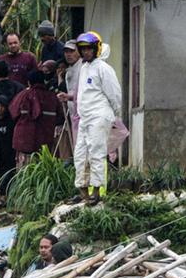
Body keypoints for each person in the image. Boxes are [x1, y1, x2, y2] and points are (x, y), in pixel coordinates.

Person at [72, 31, 121, 206]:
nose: (85, 52)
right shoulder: (84, 68)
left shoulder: (104, 68)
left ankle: (96, 190)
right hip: (85, 117)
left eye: (88, 49)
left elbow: (115, 94)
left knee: (96, 153)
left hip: (99, 116)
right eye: (82, 49)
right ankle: (82, 189)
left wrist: (113, 114)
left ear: (96, 49)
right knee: (80, 154)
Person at [10, 70, 62, 164]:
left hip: (24, 143)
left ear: (29, 82)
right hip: (46, 144)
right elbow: (60, 117)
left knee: (25, 171)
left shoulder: (23, 95)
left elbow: (13, 113)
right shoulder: (52, 97)